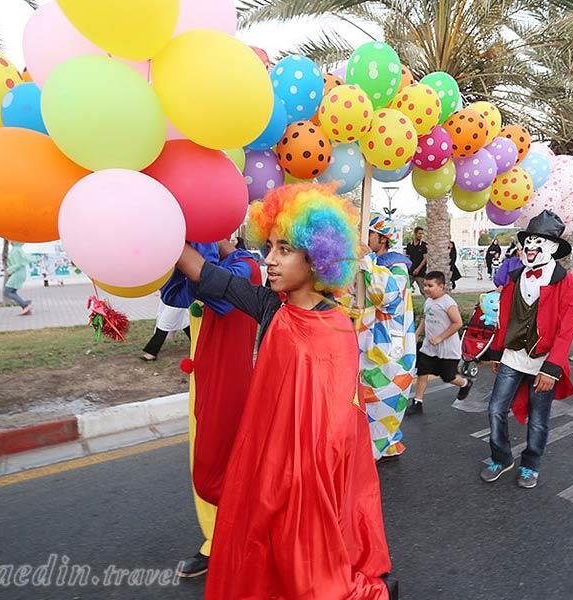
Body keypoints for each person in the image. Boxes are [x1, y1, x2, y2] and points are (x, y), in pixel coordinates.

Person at [175, 184, 395, 600]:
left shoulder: (336, 325)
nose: (270, 260)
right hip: (271, 458)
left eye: (285, 249)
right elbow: (208, 276)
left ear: (317, 259)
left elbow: (340, 415)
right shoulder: (270, 306)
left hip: (315, 468)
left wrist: (313, 467)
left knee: (308, 551)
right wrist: (163, 233)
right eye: (269, 247)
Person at [176, 240, 261, 579]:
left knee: (215, 466)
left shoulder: (248, 267)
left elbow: (216, 288)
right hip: (204, 378)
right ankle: (219, 538)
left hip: (231, 382)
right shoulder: (223, 262)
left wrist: (179, 245)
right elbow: (175, 295)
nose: (274, 258)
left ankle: (239, 537)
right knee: (207, 460)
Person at [481, 211, 573, 489]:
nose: (530, 247)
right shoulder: (515, 276)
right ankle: (501, 457)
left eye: (538, 241)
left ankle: (530, 464)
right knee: (495, 409)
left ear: (551, 247)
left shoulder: (567, 282)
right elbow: (506, 317)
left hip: (543, 360)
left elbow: (566, 329)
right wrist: (498, 353)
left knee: (538, 419)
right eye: (528, 241)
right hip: (513, 355)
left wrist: (552, 368)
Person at [358, 215, 417, 461]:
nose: (363, 239)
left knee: (379, 396)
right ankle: (387, 443)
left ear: (382, 239)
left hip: (389, 350)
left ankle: (373, 450)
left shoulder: (396, 267)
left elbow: (384, 294)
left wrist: (365, 259)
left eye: (368, 234)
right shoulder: (371, 264)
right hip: (369, 342)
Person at [408, 271, 474, 414]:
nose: (426, 288)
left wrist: (440, 337)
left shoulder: (448, 303)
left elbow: (458, 323)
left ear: (441, 286)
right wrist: (416, 334)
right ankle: (417, 403)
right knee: (423, 372)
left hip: (447, 349)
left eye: (430, 286)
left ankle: (465, 383)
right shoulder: (428, 301)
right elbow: (425, 319)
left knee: (448, 376)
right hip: (429, 347)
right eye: (425, 285)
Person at [140, 264, 196, 361]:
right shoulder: (165, 261)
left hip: (178, 298)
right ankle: (199, 343)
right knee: (184, 321)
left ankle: (151, 352)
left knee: (164, 324)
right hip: (167, 296)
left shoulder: (180, 259)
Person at [4, 242, 34, 315]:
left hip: (17, 273)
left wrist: (8, 271)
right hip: (19, 273)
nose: (10, 240)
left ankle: (25, 306)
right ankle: (26, 309)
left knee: (7, 292)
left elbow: (19, 264)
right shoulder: (18, 249)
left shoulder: (16, 250)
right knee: (12, 292)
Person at [406, 226, 428, 293]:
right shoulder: (409, 245)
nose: (421, 235)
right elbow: (408, 257)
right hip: (410, 272)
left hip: (420, 273)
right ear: (415, 234)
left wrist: (418, 269)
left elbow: (425, 259)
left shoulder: (424, 245)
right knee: (405, 290)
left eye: (422, 234)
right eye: (419, 233)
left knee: (424, 291)